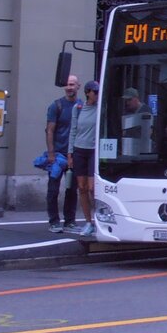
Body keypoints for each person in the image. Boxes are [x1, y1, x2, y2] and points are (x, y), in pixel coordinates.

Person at [44, 75, 80, 233]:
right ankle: (53, 221)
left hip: (74, 156)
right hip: (58, 156)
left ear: (78, 86)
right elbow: (49, 130)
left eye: (72, 84)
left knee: (71, 190)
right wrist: (51, 153)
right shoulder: (56, 106)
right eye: (67, 84)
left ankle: (70, 221)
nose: (69, 87)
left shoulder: (82, 106)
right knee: (53, 189)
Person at [68, 81, 100, 237]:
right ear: (88, 93)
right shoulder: (78, 108)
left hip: (94, 150)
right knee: (82, 187)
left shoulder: (100, 108)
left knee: (93, 187)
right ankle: (88, 222)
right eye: (95, 92)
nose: (97, 94)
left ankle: (99, 219)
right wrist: (70, 153)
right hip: (79, 149)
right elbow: (73, 130)